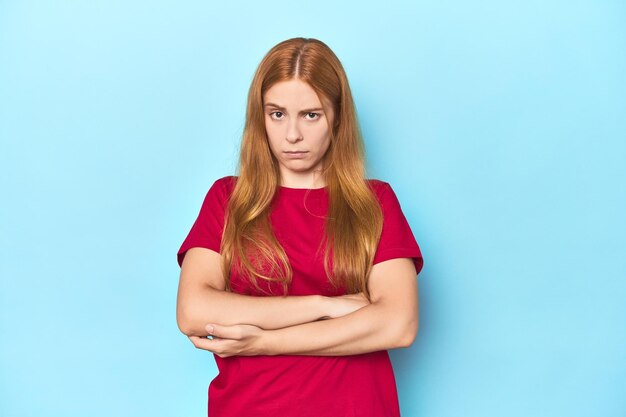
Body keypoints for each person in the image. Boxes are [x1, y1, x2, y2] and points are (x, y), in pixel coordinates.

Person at [176, 37, 424, 417]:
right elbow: (194, 310)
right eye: (277, 114)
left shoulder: (375, 202)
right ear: (260, 116)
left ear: (337, 117)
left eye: (311, 115)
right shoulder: (228, 199)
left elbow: (398, 323)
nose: (292, 135)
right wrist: (327, 305)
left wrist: (262, 342)